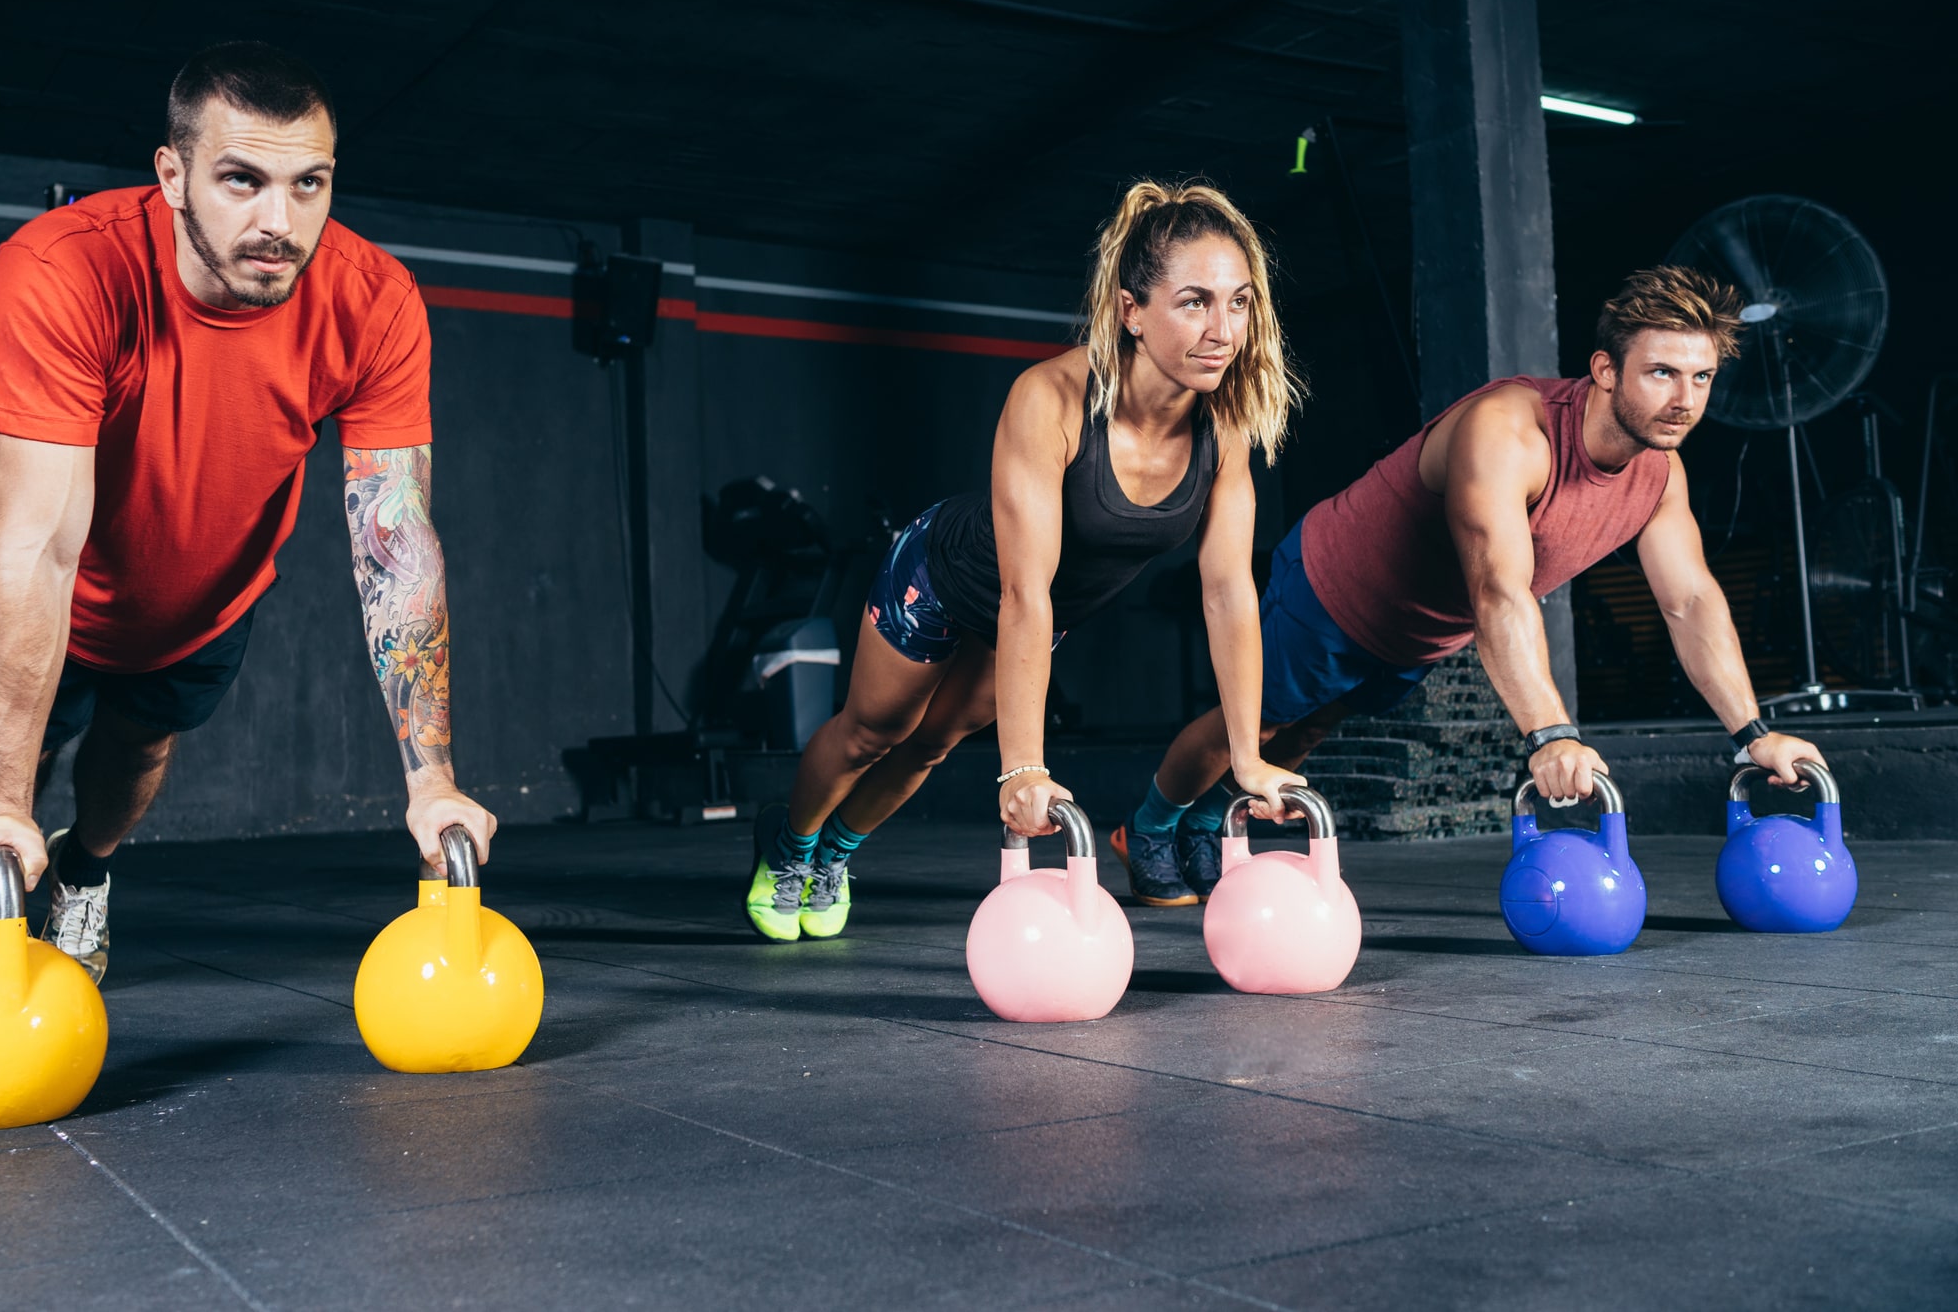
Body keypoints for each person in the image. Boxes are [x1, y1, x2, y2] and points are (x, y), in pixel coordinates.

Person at [0, 41, 495, 979]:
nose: (282, 222)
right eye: (242, 180)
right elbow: (41, 547)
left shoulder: (373, 300)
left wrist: (431, 782)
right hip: (37, 572)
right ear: (173, 175)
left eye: (309, 183)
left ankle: (87, 871)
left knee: (134, 753)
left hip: (209, 591)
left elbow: (395, 545)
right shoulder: (67, 269)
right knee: (13, 756)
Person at [1118, 265, 1827, 875]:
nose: (1683, 399)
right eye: (1661, 373)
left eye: (1700, 377)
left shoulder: (1658, 474)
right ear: (1605, 371)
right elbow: (1497, 589)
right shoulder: (1510, 431)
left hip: (1413, 635)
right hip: (1332, 587)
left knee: (1310, 730)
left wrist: (1752, 733)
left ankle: (1208, 825)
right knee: (1260, 724)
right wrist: (1550, 734)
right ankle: (1146, 829)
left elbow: (1690, 601)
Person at [743, 180, 1308, 940]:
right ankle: (789, 846)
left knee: (932, 746)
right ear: (1129, 310)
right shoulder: (1049, 397)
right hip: (946, 579)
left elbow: (1227, 592)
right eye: (1194, 301)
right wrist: (1022, 768)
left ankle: (837, 853)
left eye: (1238, 302)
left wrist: (1245, 757)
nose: (1222, 329)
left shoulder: (1224, 427)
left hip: (1041, 612)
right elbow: (1023, 592)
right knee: (874, 731)